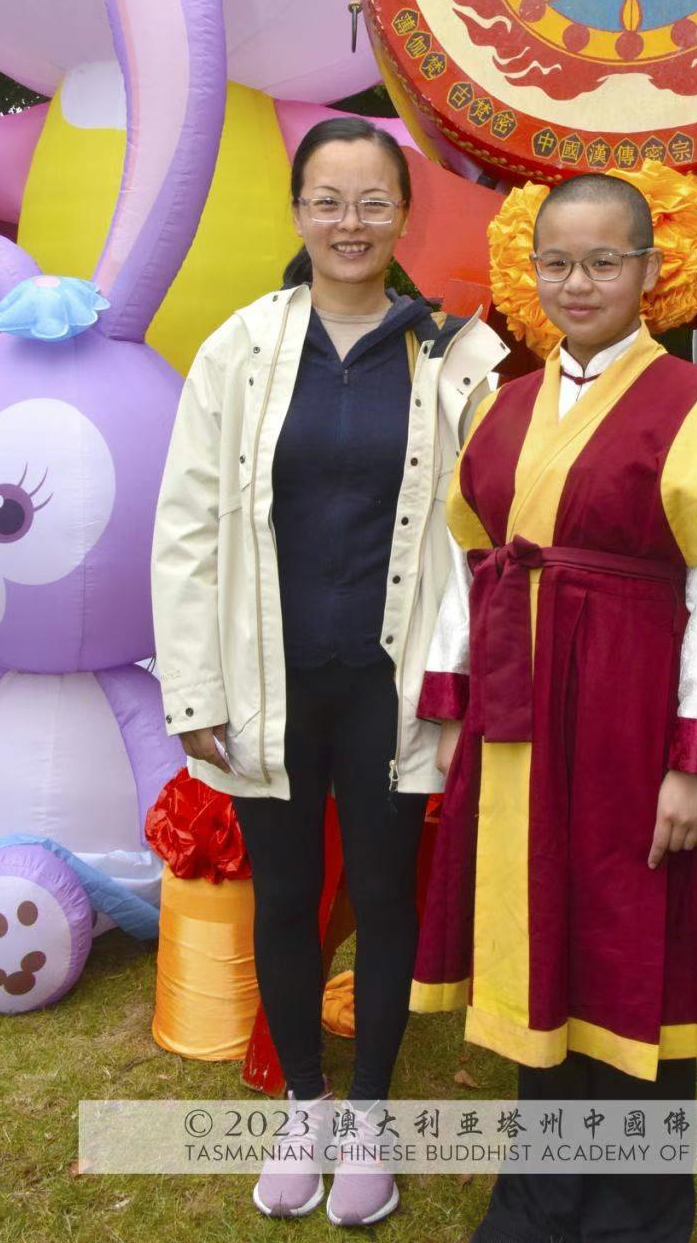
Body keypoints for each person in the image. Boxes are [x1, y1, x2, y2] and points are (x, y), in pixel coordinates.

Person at [150, 116, 506, 1227]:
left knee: (388, 893)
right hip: (268, 680)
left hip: (390, 682)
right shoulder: (240, 348)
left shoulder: (456, 358)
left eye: (372, 201)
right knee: (287, 894)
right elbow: (186, 525)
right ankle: (303, 1106)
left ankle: (366, 1116)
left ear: (404, 214)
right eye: (328, 201)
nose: (350, 223)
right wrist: (194, 688)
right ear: (299, 212)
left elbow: (495, 524)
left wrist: (469, 670)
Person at [412, 172, 697, 1243]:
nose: (577, 283)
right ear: (532, 272)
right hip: (519, 719)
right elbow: (465, 565)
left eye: (603, 261)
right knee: (537, 944)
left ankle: (638, 1211)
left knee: (629, 943)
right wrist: (450, 705)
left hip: (631, 720)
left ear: (649, 271)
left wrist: (696, 761)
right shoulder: (502, 408)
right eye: (556, 263)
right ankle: (539, 1195)